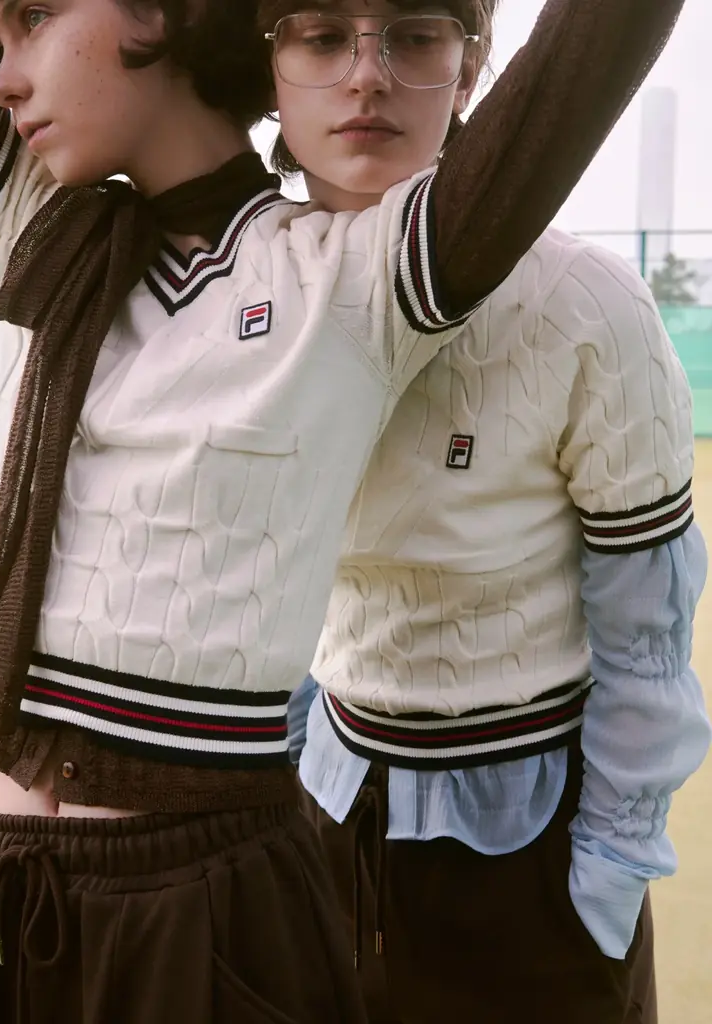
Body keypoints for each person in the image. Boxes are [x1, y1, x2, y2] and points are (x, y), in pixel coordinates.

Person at [0, 0, 691, 1017]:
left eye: (34, 17)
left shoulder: (356, 276)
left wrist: (608, 871)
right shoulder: (31, 231)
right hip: (2, 869)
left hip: (253, 887)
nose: (2, 76)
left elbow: (589, 58)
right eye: (323, 37)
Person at [264, 1, 711, 1022]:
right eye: (323, 36)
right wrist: (290, 783)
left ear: (473, 70)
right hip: (323, 827)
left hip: (536, 864)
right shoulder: (248, 296)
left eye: (415, 35)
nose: (367, 74)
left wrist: (604, 881)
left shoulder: (589, 303)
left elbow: (646, 635)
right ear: (270, 68)